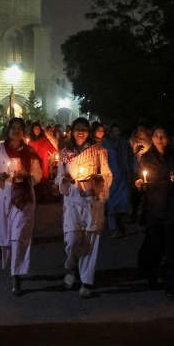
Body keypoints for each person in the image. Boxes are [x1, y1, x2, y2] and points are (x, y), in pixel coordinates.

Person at [54, 117, 112, 299]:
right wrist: (63, 181)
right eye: (77, 128)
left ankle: (86, 280)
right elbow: (59, 177)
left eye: (84, 129)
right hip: (72, 202)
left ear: (89, 132)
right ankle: (71, 267)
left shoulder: (99, 152)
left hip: (91, 203)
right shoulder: (65, 153)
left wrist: (97, 181)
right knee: (72, 240)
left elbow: (107, 175)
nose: (80, 131)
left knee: (90, 243)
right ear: (71, 132)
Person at [0, 118, 43, 296]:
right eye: (13, 128)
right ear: (8, 131)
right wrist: (0, 176)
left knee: (19, 236)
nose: (16, 131)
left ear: (24, 132)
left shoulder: (29, 152)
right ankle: (11, 263)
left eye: (20, 128)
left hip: (23, 198)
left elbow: (37, 174)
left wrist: (27, 176)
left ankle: (16, 276)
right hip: (3, 197)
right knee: (7, 237)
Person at [136, 125, 174, 301]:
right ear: (152, 138)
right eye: (156, 135)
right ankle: (151, 275)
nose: (159, 138)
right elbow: (141, 181)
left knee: (173, 247)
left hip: (171, 207)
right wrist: (140, 186)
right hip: (154, 208)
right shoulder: (146, 158)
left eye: (163, 135)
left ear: (168, 139)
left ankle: (170, 281)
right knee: (154, 245)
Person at [102, 123, 133, 238]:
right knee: (111, 202)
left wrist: (134, 172)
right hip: (111, 177)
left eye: (117, 131)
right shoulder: (106, 144)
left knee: (124, 201)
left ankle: (119, 223)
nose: (116, 134)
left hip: (124, 176)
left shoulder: (125, 143)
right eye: (114, 131)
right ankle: (115, 227)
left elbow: (131, 157)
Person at [27, 121, 57, 202]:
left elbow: (50, 147)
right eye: (35, 128)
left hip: (43, 162)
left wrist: (55, 153)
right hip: (33, 163)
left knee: (43, 180)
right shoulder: (29, 139)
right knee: (34, 178)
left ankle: (42, 197)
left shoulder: (44, 139)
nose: (37, 130)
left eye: (38, 128)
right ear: (32, 130)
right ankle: (34, 197)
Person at [129, 124, 152, 223]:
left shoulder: (151, 142)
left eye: (141, 130)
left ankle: (145, 214)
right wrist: (136, 151)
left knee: (148, 192)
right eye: (138, 130)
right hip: (136, 171)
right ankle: (133, 213)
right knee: (135, 193)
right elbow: (127, 156)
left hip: (148, 171)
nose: (139, 132)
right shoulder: (132, 141)